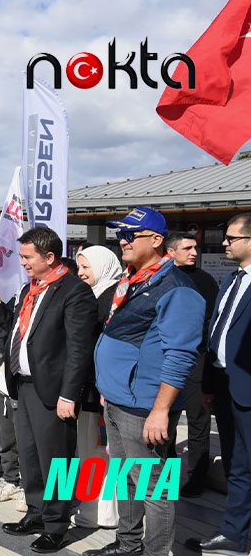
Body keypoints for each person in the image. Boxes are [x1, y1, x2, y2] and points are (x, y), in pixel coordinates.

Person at [87, 207, 204, 556]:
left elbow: (181, 356)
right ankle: (128, 543)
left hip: (145, 407)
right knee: (126, 479)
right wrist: (109, 388)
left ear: (156, 240)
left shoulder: (178, 287)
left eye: (129, 235)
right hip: (119, 398)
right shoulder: (135, 277)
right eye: (119, 234)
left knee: (155, 489)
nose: (121, 240)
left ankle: (156, 551)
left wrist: (161, 411)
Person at [0, 226, 98, 554]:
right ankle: (35, 512)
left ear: (49, 257)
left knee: (57, 460)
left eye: (27, 257)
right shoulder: (31, 288)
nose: (23, 263)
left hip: (54, 391)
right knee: (31, 456)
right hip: (23, 385)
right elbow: (21, 331)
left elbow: (79, 349)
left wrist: (69, 394)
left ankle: (57, 525)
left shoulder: (74, 291)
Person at [186, 213, 251, 556]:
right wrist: (210, 384)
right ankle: (233, 536)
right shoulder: (229, 281)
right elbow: (216, 334)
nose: (224, 243)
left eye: (231, 238)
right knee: (235, 467)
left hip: (248, 388)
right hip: (225, 387)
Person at [163, 232, 219, 498]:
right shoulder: (162, 278)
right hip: (166, 358)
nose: (195, 252)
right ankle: (168, 478)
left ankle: (197, 477)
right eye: (188, 248)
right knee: (166, 421)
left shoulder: (205, 281)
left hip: (196, 359)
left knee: (198, 421)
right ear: (171, 252)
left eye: (195, 247)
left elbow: (210, 322)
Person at [73, 245, 124, 530]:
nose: (81, 273)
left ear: (102, 266)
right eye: (79, 267)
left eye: (86, 267)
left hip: (100, 391)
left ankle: (101, 514)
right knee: (94, 451)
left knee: (98, 452)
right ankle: (95, 511)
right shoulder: (96, 295)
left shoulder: (110, 298)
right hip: (94, 390)